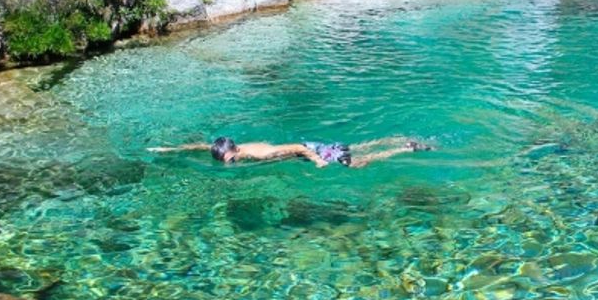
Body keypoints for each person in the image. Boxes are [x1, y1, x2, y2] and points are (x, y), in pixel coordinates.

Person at [149, 135, 431, 168]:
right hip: (313, 146)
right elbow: (201, 145)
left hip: (308, 150)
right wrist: (169, 149)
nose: (229, 163)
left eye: (229, 160)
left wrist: (318, 161)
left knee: (356, 163)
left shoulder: (258, 154)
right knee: (349, 147)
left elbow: (295, 147)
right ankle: (396, 139)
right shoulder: (240, 147)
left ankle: (403, 149)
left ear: (233, 151)